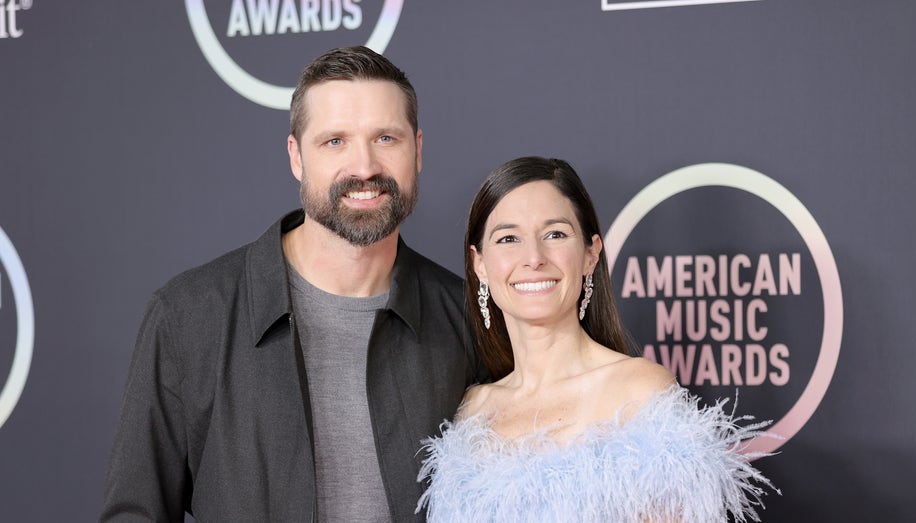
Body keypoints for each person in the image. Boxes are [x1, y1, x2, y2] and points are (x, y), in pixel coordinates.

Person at [101, 46, 484, 522]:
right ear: (296, 157)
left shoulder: (469, 318)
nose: (364, 167)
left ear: (418, 150)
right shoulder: (187, 317)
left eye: (386, 138)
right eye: (334, 142)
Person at [417, 157, 776, 522]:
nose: (533, 258)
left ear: (591, 254)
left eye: (555, 234)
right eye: (508, 238)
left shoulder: (639, 391)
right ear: (479, 264)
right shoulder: (471, 411)